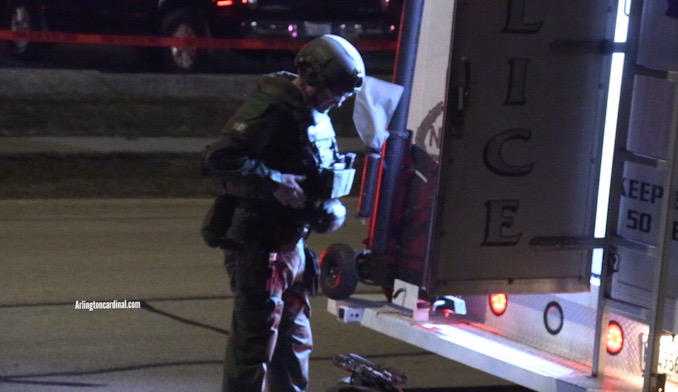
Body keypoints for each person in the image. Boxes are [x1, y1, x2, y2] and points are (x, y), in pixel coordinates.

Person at [201, 34, 365, 392]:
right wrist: (275, 181)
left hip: (293, 248)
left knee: (293, 349)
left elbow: (316, 175)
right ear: (312, 80)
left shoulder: (315, 116)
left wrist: (328, 208)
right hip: (260, 246)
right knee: (254, 349)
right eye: (335, 93)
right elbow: (218, 158)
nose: (338, 102)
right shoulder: (271, 108)